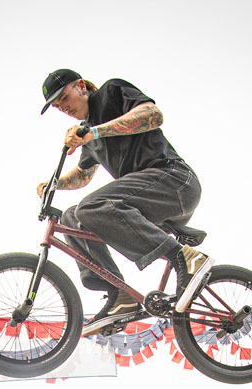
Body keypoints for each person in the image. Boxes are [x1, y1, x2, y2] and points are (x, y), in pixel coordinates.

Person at [38, 69, 209, 333]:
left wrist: (95, 132)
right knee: (72, 217)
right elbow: (83, 175)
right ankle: (120, 295)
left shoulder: (111, 92)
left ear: (81, 86)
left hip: (174, 181)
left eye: (65, 98)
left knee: (90, 208)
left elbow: (153, 116)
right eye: (58, 107)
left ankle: (185, 258)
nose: (64, 108)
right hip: (145, 202)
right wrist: (54, 184)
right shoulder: (90, 137)